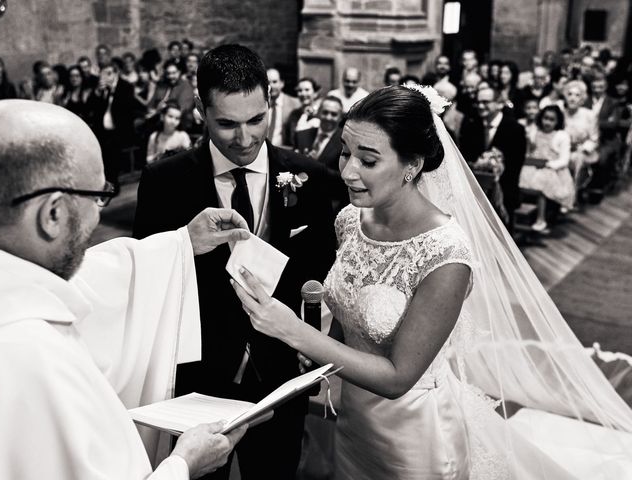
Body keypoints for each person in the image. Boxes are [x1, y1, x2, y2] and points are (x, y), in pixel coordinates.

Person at [231, 85, 632, 479]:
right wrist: (320, 354)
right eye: (346, 153)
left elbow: (398, 378)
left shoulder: (446, 253)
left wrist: (294, 332)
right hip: (354, 424)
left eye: (368, 161)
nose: (349, 170)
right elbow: (347, 319)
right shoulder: (350, 222)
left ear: (412, 165)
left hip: (413, 439)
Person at [0, 99, 249, 479]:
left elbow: (94, 275)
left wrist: (181, 244)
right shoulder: (32, 358)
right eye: (98, 196)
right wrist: (182, 463)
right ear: (53, 214)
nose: (98, 213)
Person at [133, 44, 338, 480]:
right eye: (226, 124)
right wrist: (183, 244)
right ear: (201, 114)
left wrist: (314, 339)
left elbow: (321, 275)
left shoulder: (313, 179)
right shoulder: (163, 182)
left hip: (281, 376)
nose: (244, 139)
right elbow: (145, 277)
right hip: (198, 376)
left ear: (269, 104)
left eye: (256, 120)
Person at [459, 86, 526, 231]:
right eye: (478, 102)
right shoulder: (471, 126)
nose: (481, 106)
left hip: (504, 190)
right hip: (475, 191)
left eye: (486, 102)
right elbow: (464, 158)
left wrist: (494, 176)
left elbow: (515, 166)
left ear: (499, 104)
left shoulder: (515, 129)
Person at [519, 105, 575, 230]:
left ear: (558, 121)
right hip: (534, 165)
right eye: (545, 118)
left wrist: (548, 164)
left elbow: (564, 160)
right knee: (520, 176)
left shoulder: (561, 135)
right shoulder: (535, 131)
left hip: (553, 169)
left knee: (542, 182)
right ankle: (521, 213)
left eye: (551, 120)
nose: (547, 122)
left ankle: (541, 218)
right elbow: (529, 152)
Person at [86, 58, 137, 190]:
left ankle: (113, 186)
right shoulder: (100, 88)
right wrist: (98, 93)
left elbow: (125, 110)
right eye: (103, 74)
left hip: (121, 130)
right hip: (103, 131)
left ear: (116, 73)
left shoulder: (126, 87)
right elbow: (90, 108)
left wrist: (111, 92)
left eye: (109, 73)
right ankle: (99, 183)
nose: (105, 77)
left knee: (110, 150)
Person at [285, 77, 322, 146]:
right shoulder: (294, 114)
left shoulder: (321, 113)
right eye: (300, 90)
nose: (303, 93)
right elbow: (290, 140)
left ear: (315, 93)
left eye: (307, 90)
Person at [266, 67, 298, 146]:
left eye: (274, 82)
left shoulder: (295, 104)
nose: (271, 86)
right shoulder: (259, 103)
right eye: (267, 82)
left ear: (282, 83)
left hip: (283, 150)